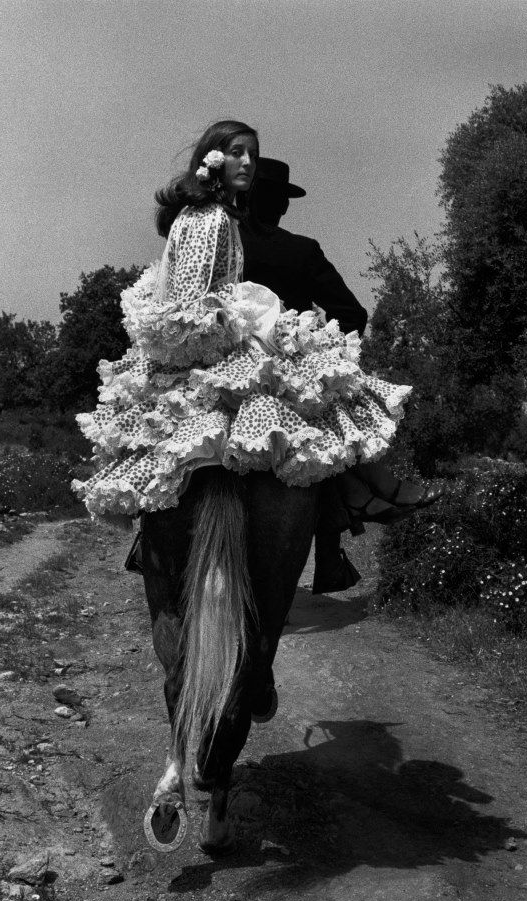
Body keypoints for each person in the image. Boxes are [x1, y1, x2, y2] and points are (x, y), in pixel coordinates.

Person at [73, 122, 414, 565]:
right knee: (324, 423)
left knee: (168, 440)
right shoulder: (262, 237)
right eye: (238, 155)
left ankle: (149, 538)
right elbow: (195, 304)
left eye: (251, 159)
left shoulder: (222, 224)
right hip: (231, 344)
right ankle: (346, 521)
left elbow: (183, 300)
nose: (247, 166)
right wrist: (313, 339)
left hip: (217, 342)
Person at [240, 157, 443, 592]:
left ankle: (149, 543)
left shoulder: (224, 246)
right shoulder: (301, 251)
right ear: (282, 206)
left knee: (171, 430)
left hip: (223, 371)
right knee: (329, 439)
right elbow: (352, 314)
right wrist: (319, 349)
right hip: (284, 371)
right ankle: (332, 550)